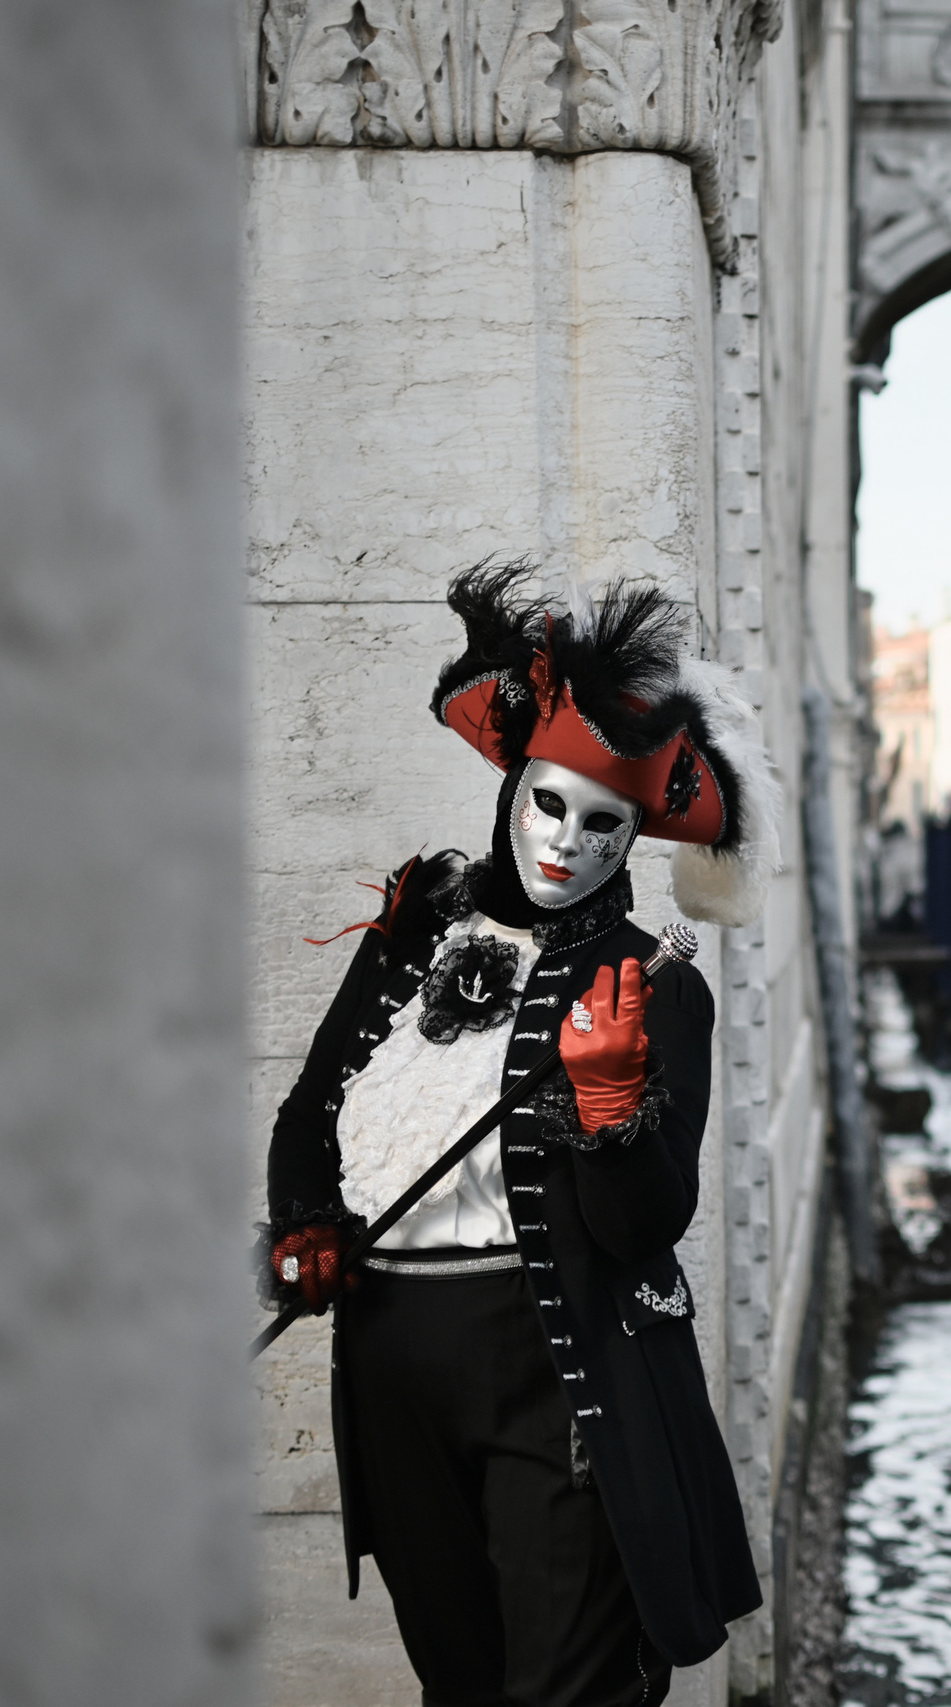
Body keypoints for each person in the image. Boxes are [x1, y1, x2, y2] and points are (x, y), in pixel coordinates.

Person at [262, 563, 774, 1705]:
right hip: (391, 1364)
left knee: (571, 1689)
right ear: (512, 790)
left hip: (551, 1364)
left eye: (606, 824)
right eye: (550, 804)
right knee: (462, 1682)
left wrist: (605, 1112)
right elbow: (313, 1112)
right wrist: (304, 1227)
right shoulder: (409, 934)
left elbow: (646, 1226)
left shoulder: (649, 983)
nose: (568, 843)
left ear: (634, 836)